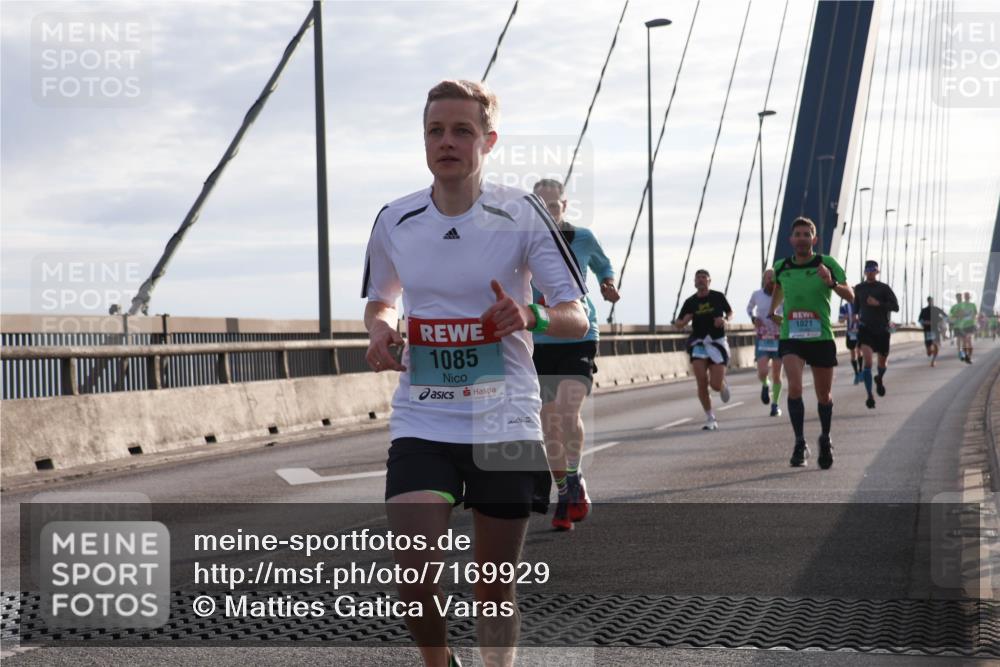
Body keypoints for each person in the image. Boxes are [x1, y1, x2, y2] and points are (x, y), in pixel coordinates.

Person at [362, 79, 589, 667]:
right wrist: (381, 330)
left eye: (462, 131)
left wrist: (532, 314)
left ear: (488, 141)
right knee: (414, 577)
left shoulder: (520, 213)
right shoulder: (395, 219)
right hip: (424, 416)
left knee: (493, 588)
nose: (447, 142)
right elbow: (381, 299)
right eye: (435, 130)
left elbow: (576, 316)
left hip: (504, 419)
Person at [530, 178, 620, 532]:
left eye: (554, 206)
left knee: (568, 412)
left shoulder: (582, 237)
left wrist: (608, 284)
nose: (549, 212)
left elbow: (603, 265)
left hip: (580, 334)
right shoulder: (524, 241)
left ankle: (572, 477)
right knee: (549, 422)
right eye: (541, 206)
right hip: (539, 341)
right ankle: (566, 489)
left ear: (564, 206)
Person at [768, 217, 854, 469]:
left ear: (814, 239)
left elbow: (851, 295)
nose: (802, 238)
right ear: (791, 239)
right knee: (794, 388)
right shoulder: (781, 266)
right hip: (792, 337)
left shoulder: (827, 263)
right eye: (798, 234)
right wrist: (772, 310)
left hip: (821, 337)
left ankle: (825, 438)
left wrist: (831, 283)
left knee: (823, 395)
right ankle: (799, 443)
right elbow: (779, 289)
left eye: (807, 234)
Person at [673, 269, 734, 430]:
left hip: (717, 342)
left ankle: (722, 385)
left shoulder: (717, 296)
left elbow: (730, 312)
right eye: (698, 278)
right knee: (701, 381)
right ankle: (710, 418)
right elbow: (678, 323)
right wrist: (683, 322)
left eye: (703, 277)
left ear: (709, 281)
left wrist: (725, 320)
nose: (700, 280)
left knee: (715, 385)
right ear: (694, 282)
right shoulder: (690, 302)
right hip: (699, 343)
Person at [853, 261, 899, 409]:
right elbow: (855, 308)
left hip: (882, 330)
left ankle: (879, 378)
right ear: (865, 272)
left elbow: (895, 307)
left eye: (873, 270)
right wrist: (854, 317)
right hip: (865, 329)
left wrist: (878, 303)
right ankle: (869, 395)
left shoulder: (884, 288)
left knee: (882, 363)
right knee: (867, 363)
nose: (870, 272)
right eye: (868, 270)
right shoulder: (859, 288)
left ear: (877, 272)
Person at [746, 268, 783, 416]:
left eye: (773, 278)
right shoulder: (757, 294)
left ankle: (775, 405)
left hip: (778, 338)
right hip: (762, 338)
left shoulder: (782, 294)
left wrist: (780, 319)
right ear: (764, 279)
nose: (770, 281)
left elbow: (787, 312)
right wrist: (754, 318)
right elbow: (749, 308)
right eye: (768, 278)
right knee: (762, 371)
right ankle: (765, 384)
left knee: (777, 374)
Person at [918, 297, 948, 367]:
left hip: (935, 330)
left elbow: (946, 316)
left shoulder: (936, 309)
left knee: (936, 345)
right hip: (927, 331)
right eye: (929, 301)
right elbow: (920, 320)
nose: (930, 302)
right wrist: (925, 322)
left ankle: (933, 360)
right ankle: (929, 351)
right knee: (929, 352)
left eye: (931, 301)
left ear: (933, 301)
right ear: (927, 301)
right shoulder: (924, 310)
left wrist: (941, 322)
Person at [838, 298, 862, 384]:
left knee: (859, 351)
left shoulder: (860, 305)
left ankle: (861, 371)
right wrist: (846, 317)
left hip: (860, 332)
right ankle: (856, 373)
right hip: (850, 333)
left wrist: (859, 318)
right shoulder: (844, 307)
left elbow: (867, 317)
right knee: (853, 353)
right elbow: (840, 320)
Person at [949, 294, 966, 361]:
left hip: (964, 325)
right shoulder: (954, 307)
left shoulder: (964, 305)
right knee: (959, 339)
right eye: (958, 297)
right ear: (956, 298)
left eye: (960, 297)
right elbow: (951, 316)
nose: (959, 298)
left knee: (964, 339)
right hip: (957, 325)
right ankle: (960, 352)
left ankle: (962, 351)